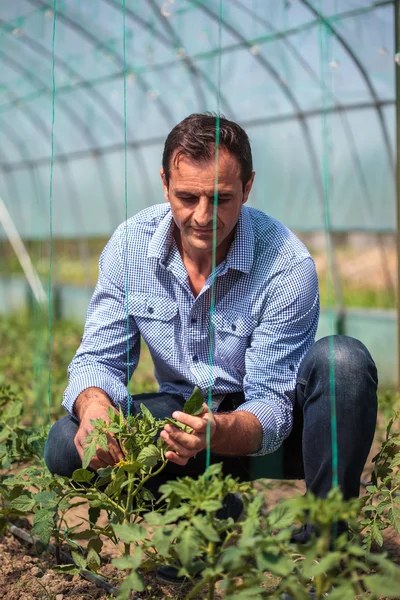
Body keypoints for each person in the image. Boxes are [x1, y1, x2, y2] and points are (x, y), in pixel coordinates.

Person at [44, 113, 377, 579]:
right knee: (66, 444)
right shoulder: (130, 247)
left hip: (270, 430)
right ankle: (206, 516)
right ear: (164, 183)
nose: (202, 216)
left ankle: (328, 538)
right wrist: (96, 409)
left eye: (222, 198)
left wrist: (217, 431)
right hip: (184, 419)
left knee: (343, 361)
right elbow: (99, 357)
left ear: (248, 187)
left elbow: (274, 409)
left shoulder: (285, 263)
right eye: (187, 197)